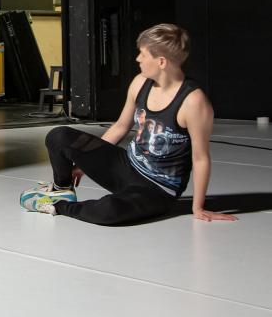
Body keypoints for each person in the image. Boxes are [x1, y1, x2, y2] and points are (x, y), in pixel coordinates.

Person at [20, 23, 238, 225]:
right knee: (59, 136)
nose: (138, 59)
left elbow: (200, 158)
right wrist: (85, 165)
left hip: (158, 189)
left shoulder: (193, 102)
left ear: (161, 62)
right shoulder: (140, 83)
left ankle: (59, 206)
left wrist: (197, 207)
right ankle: (61, 189)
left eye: (143, 54)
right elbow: (120, 127)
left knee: (109, 210)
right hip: (126, 166)